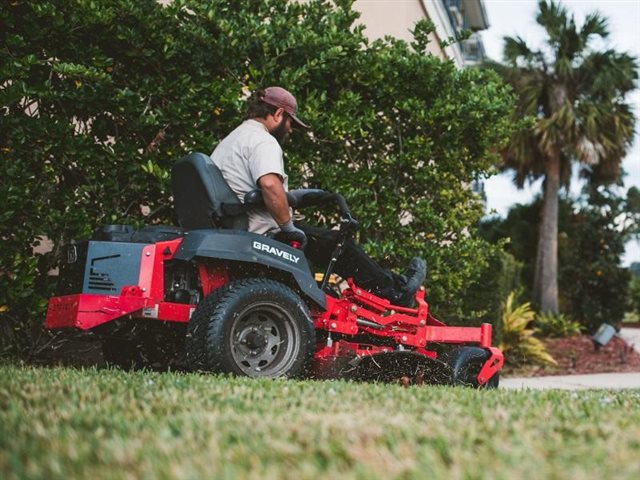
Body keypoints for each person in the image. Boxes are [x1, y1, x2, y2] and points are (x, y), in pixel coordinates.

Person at [210, 86, 426, 307]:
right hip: (263, 236)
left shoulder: (231, 140)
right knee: (338, 246)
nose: (290, 130)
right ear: (278, 114)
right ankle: (397, 292)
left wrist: (304, 197)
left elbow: (257, 190)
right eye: (290, 123)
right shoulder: (262, 140)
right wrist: (288, 228)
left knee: (321, 272)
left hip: (234, 233)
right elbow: (269, 184)